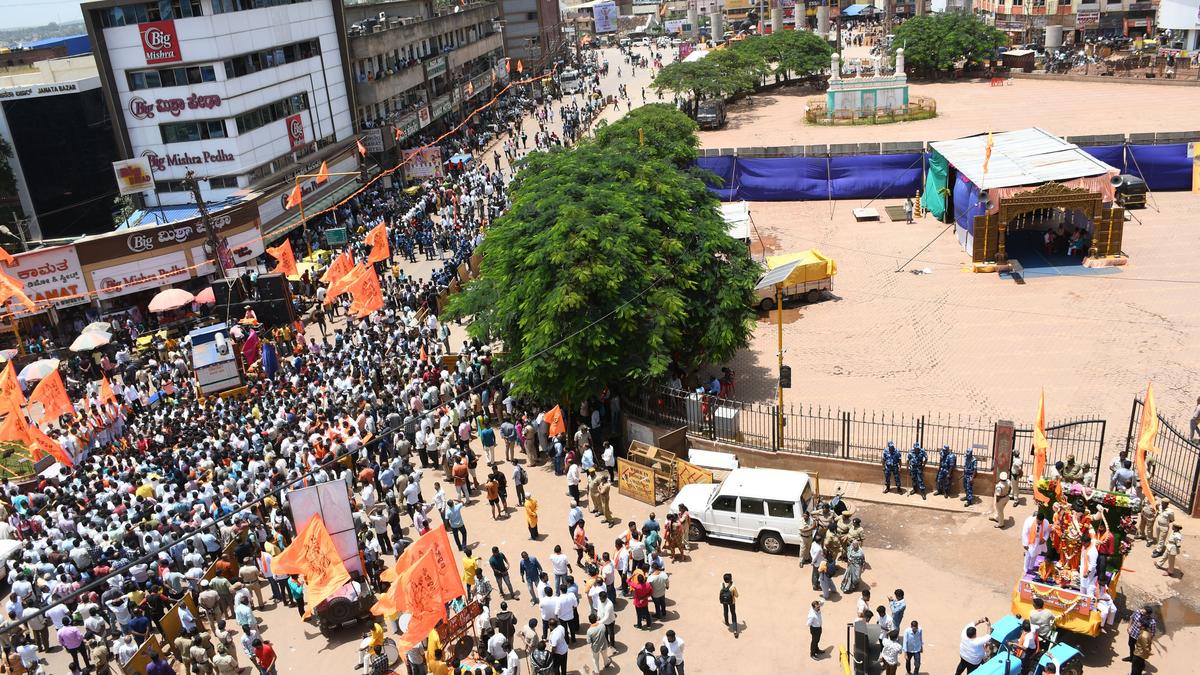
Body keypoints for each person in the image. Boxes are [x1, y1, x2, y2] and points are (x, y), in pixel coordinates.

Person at [719, 573, 739, 637]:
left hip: (724, 601)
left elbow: (720, 592)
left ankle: (726, 622)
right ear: (730, 579)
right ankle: (735, 630)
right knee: (733, 614)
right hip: (731, 602)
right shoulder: (733, 587)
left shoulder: (722, 585)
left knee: (725, 611)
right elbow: (737, 595)